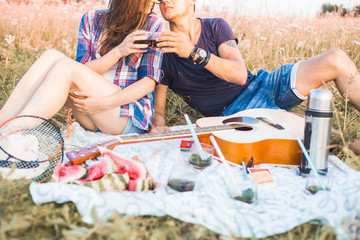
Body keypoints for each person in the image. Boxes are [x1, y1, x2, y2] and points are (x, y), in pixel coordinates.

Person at [151, 0, 360, 133]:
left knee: (337, 59)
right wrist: (157, 125)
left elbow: (240, 75)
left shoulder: (215, 26)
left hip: (263, 82)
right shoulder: (163, 54)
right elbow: (159, 113)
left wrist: (193, 52)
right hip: (237, 112)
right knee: (324, 135)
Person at [0, 0, 163, 135]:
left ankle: (14, 130)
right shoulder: (91, 19)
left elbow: (148, 84)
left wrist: (103, 103)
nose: (155, 2)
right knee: (52, 55)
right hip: (88, 112)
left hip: (124, 115)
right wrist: (118, 52)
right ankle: (3, 122)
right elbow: (82, 70)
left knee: (65, 66)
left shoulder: (152, 24)